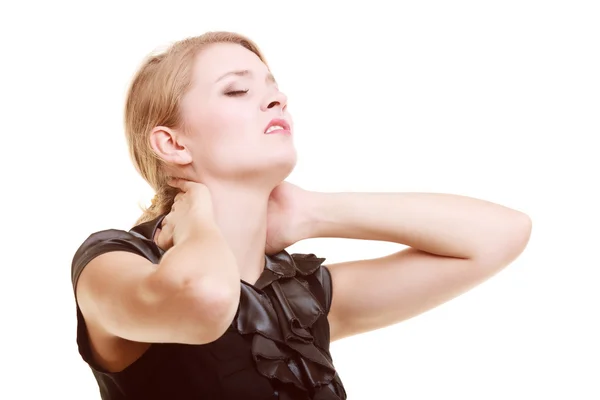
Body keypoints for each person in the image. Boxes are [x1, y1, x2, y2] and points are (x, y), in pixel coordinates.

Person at [71, 31, 532, 400]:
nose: (278, 100)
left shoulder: (299, 300)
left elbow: (501, 235)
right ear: (173, 144)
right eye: (236, 90)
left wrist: (312, 212)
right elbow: (207, 299)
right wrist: (195, 224)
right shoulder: (112, 261)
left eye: (274, 89)